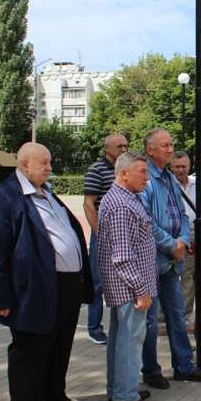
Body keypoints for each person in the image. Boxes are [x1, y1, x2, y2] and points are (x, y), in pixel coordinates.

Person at [0, 143, 93, 401]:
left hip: (66, 285)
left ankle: (53, 394)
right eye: (44, 163)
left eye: (50, 162)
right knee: (29, 351)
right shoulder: (6, 197)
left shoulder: (47, 193)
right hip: (32, 289)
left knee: (59, 345)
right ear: (24, 165)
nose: (50, 168)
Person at [139, 128, 201, 389]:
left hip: (173, 258)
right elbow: (144, 220)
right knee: (149, 321)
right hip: (153, 259)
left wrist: (182, 240)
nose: (171, 150)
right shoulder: (145, 178)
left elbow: (182, 214)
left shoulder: (169, 177)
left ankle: (183, 366)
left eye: (171, 145)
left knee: (177, 313)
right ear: (151, 150)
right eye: (165, 146)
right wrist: (172, 243)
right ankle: (150, 371)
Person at [98, 152, 160, 401]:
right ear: (123, 174)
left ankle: (121, 388)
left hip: (126, 287)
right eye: (142, 172)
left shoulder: (124, 198)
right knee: (130, 340)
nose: (146, 178)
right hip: (129, 288)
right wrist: (141, 290)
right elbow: (122, 256)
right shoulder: (121, 205)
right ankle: (125, 395)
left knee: (121, 339)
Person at [83, 133, 129, 345]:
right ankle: (94, 328)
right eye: (119, 146)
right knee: (98, 283)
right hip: (103, 234)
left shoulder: (125, 169)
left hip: (124, 233)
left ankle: (119, 327)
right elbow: (89, 204)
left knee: (121, 281)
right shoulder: (97, 169)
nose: (123, 149)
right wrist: (100, 233)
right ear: (107, 149)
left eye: (126, 145)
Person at [171, 151, 196, 329]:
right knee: (169, 276)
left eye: (183, 166)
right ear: (171, 168)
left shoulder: (197, 186)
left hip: (193, 237)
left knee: (189, 277)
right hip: (171, 236)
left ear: (189, 167)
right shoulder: (166, 185)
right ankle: (164, 318)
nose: (180, 170)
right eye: (177, 167)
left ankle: (185, 316)